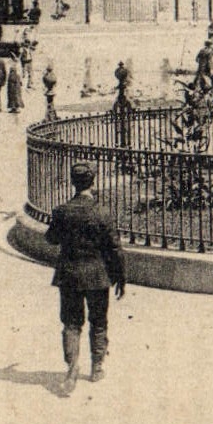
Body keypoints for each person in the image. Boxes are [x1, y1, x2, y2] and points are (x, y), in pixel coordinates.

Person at [44, 159, 126, 391]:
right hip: (98, 276)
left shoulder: (61, 211)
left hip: (69, 275)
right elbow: (115, 248)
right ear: (93, 182)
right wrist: (120, 277)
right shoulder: (101, 212)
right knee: (98, 321)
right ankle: (96, 368)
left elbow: (51, 239)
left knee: (71, 323)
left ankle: (72, 367)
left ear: (73, 182)